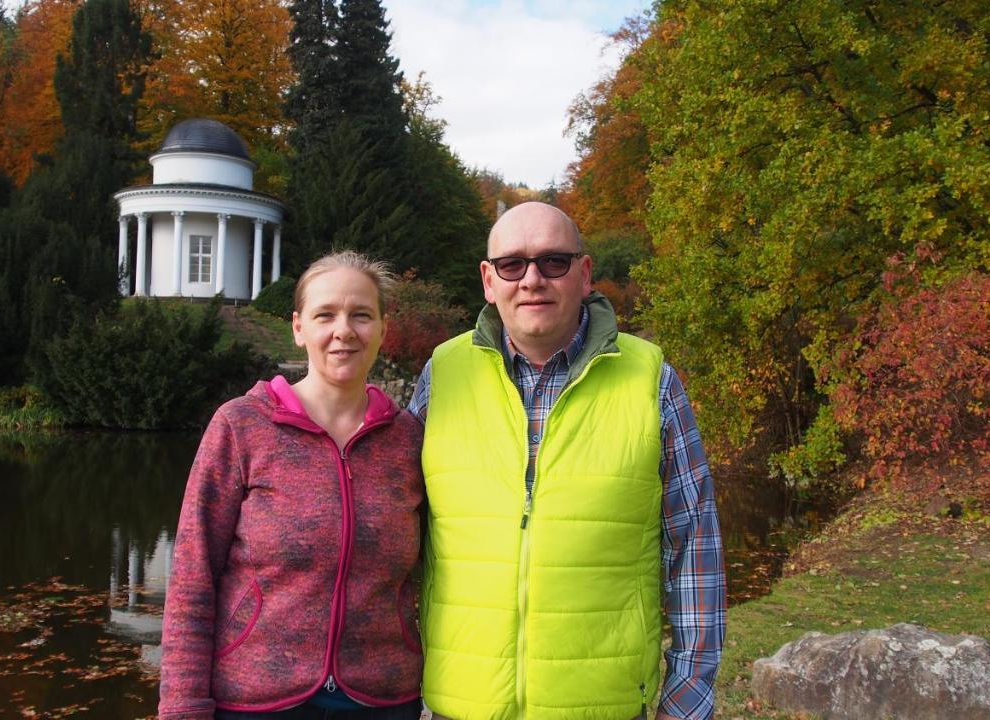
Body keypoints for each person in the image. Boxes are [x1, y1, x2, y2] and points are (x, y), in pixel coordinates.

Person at [409, 202, 726, 720]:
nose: (532, 279)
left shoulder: (651, 380)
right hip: (456, 704)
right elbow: (393, 532)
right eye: (512, 265)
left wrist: (687, 696)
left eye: (553, 262)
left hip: (605, 704)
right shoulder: (441, 376)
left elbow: (695, 546)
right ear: (489, 281)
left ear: (583, 273)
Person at [159, 251, 425, 720]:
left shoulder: (410, 439)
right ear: (299, 327)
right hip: (255, 700)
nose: (344, 330)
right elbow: (191, 578)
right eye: (326, 315)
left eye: (361, 315)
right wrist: (182, 707)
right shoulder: (241, 425)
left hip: (383, 700)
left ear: (383, 328)